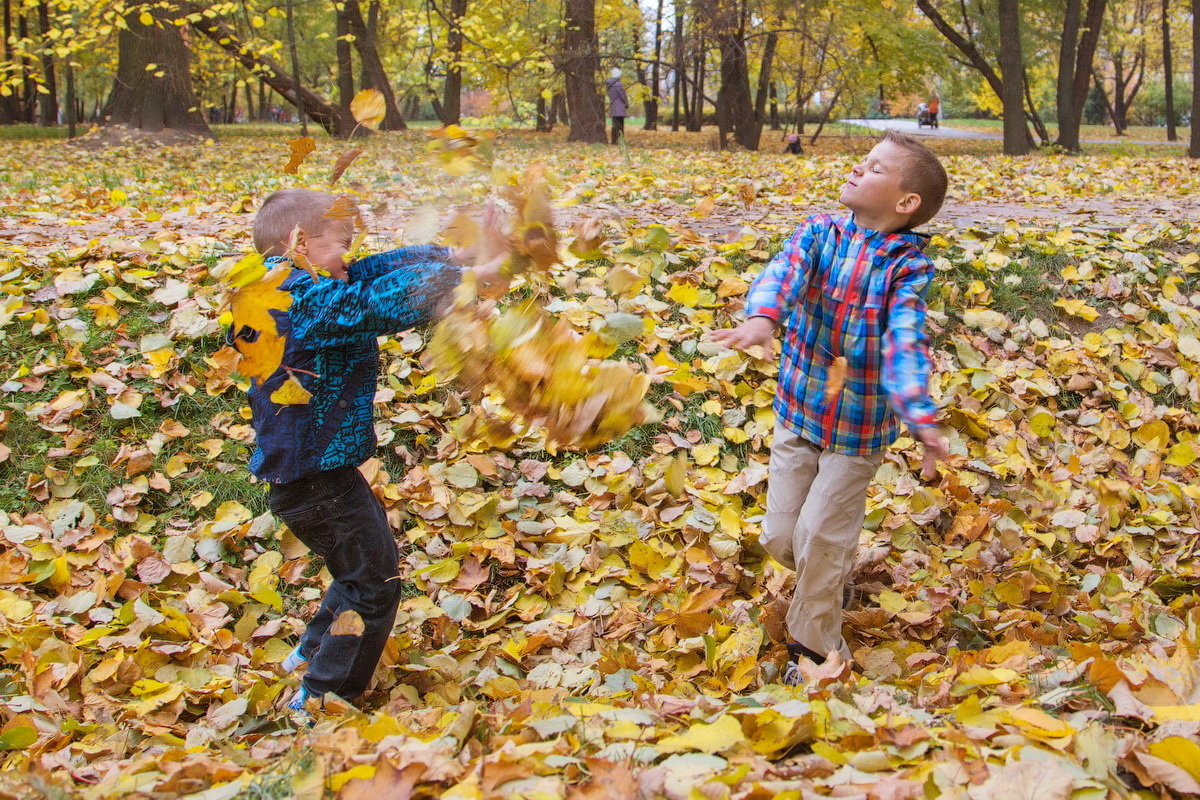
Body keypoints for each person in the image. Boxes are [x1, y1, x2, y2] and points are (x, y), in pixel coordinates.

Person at [234, 188, 508, 715]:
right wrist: (466, 278)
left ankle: (309, 654)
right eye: (342, 242)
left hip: (318, 472)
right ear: (299, 242)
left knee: (363, 564)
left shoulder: (298, 281)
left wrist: (453, 257)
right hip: (313, 477)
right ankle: (321, 698)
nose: (350, 254)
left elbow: (366, 275)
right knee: (376, 585)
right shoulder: (294, 300)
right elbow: (372, 303)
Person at [708, 130, 950, 684]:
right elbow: (785, 272)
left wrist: (919, 414)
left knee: (819, 534)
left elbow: (906, 340)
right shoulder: (820, 233)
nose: (855, 171)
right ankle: (828, 576)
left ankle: (816, 648)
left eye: (872, 168)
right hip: (801, 410)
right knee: (780, 535)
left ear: (905, 202)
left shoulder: (905, 269)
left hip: (858, 432)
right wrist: (763, 317)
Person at [606, 67, 629, 145]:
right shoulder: (618, 84)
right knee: (620, 126)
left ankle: (614, 141)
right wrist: (626, 103)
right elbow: (623, 96)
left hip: (613, 107)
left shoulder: (609, 85)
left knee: (614, 125)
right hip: (620, 107)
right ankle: (620, 141)